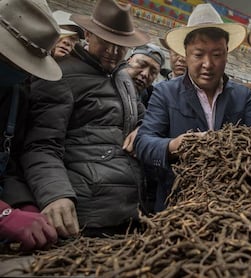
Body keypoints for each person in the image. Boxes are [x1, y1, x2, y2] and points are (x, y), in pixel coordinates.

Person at [21, 0, 150, 238]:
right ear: (88, 34)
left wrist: (144, 130)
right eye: (106, 43)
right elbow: (41, 144)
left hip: (132, 210)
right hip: (86, 214)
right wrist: (55, 194)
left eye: (120, 46)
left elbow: (142, 119)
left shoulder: (123, 77)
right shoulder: (59, 75)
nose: (113, 52)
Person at [135, 3, 251, 212]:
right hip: (178, 202)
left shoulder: (242, 95)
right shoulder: (165, 93)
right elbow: (144, 142)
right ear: (185, 54)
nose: (208, 64)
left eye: (216, 54)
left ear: (226, 53)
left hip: (234, 201)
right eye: (198, 54)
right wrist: (174, 145)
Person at [0, 0, 59, 250]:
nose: (18, 71)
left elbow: (10, 158)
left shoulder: (15, 93)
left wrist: (24, 203)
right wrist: (4, 215)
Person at [126, 43, 165, 108]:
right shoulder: (105, 85)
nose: (145, 74)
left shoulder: (152, 101)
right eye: (142, 65)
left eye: (153, 72)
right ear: (128, 61)